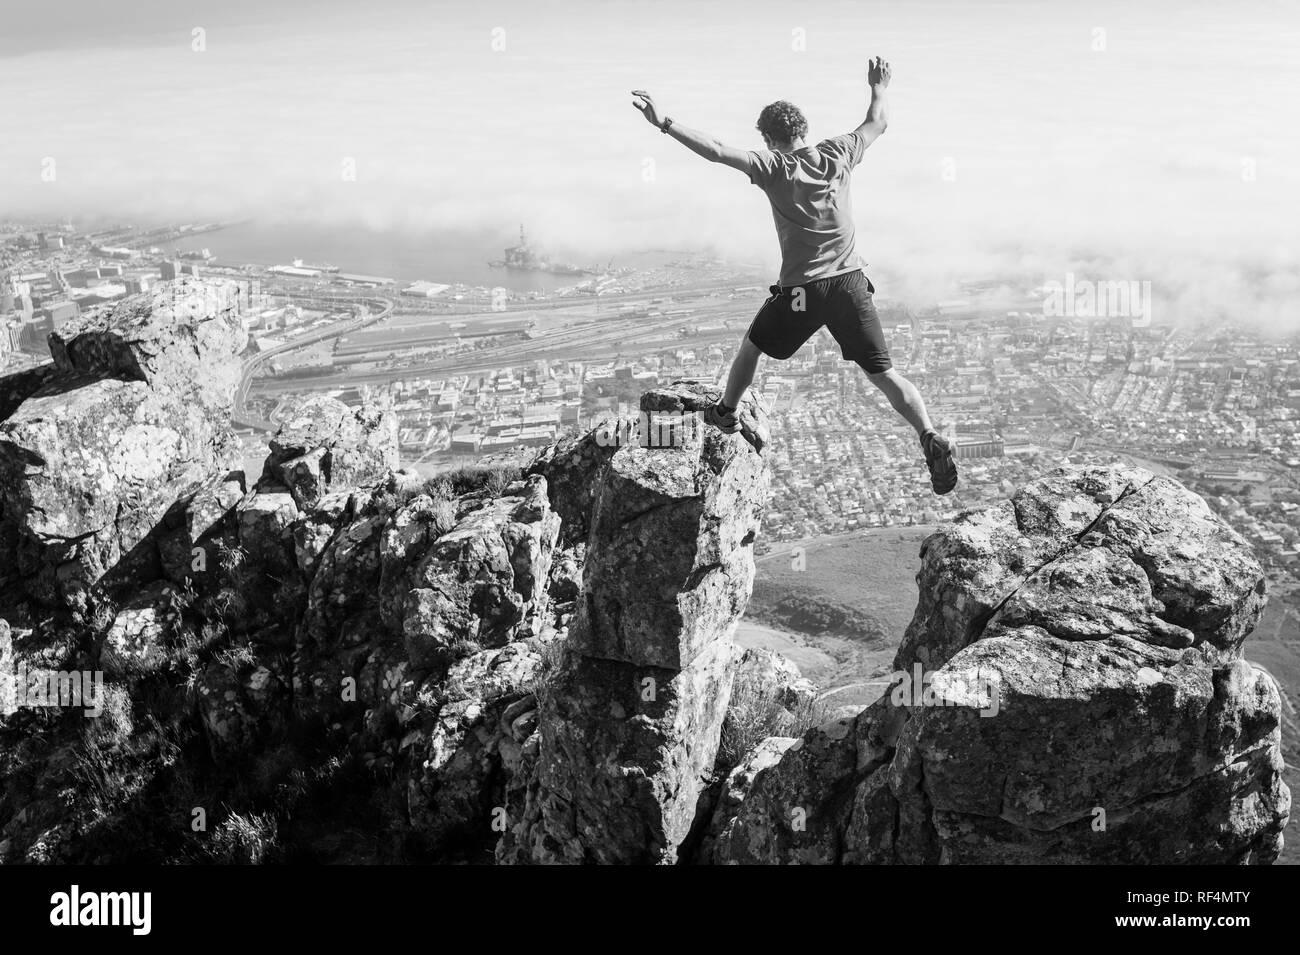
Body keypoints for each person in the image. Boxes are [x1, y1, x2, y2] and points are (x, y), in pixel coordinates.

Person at [630, 57, 957, 494]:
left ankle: (726, 412)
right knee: (884, 374)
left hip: (803, 290)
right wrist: (878, 85)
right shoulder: (839, 152)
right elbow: (877, 120)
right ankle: (928, 434)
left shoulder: (773, 167)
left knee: (751, 348)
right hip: (851, 285)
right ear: (803, 128)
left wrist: (664, 122)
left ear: (769, 138)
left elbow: (717, 149)